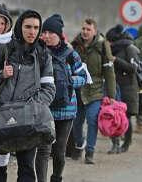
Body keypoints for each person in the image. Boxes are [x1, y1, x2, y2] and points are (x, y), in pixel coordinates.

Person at [0, 10, 55, 182]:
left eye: (36, 27)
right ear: (19, 27)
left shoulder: (43, 55)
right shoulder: (2, 50)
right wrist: (0, 74)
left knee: (27, 169)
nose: (32, 32)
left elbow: (49, 89)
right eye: (28, 27)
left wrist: (32, 107)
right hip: (1, 119)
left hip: (28, 121)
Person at [35, 14, 87, 182]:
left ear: (59, 35)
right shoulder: (37, 51)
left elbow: (83, 77)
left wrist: (71, 81)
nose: (47, 36)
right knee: (43, 150)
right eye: (45, 32)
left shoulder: (71, 55)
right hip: (44, 108)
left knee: (59, 150)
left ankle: (56, 178)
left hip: (66, 110)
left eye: (52, 33)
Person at [71, 17, 116, 164]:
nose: (85, 32)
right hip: (78, 89)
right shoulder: (75, 45)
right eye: (83, 29)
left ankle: (90, 151)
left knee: (92, 119)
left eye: (88, 29)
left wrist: (111, 95)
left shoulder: (102, 47)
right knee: (76, 122)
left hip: (95, 90)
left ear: (95, 31)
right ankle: (79, 144)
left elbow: (109, 72)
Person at [105, 24, 139, 153]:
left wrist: (115, 60)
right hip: (114, 86)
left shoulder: (129, 48)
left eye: (109, 40)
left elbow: (132, 68)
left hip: (128, 87)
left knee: (126, 117)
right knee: (113, 116)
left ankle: (126, 143)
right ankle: (115, 144)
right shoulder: (111, 49)